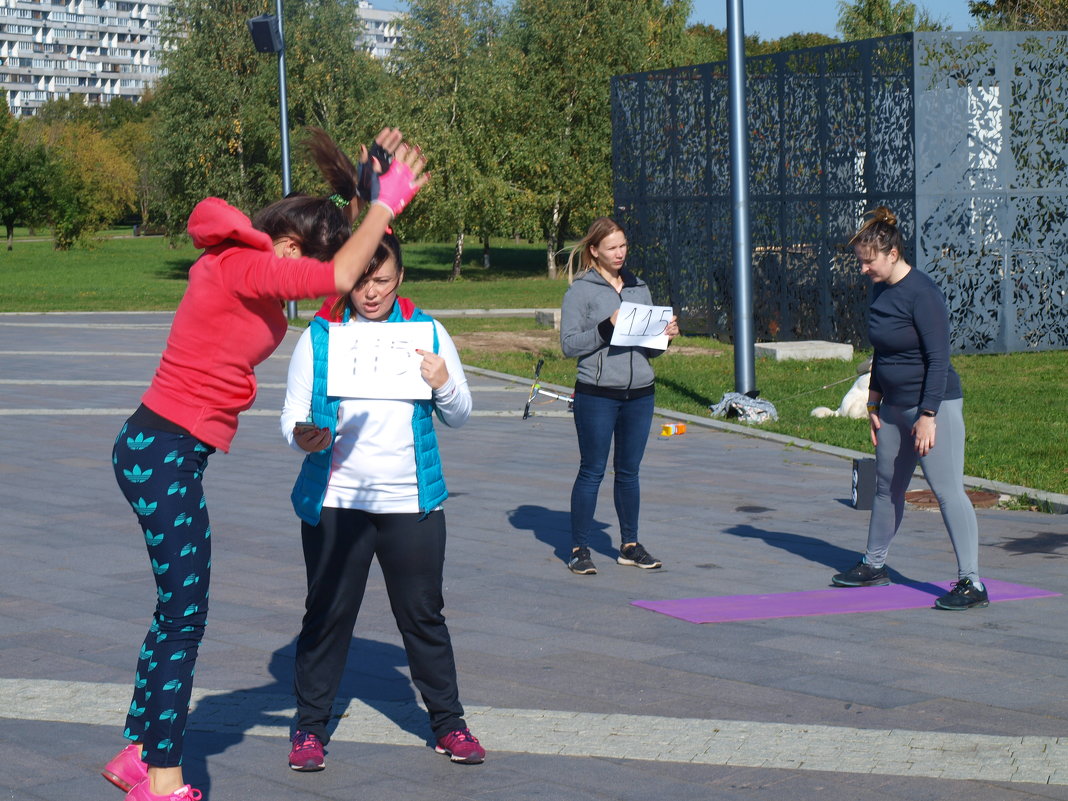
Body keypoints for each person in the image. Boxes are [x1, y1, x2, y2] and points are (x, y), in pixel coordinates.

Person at [102, 129, 428, 801]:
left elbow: (337, 268)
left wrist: (364, 194)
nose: (307, 279)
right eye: (306, 259)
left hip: (164, 450)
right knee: (186, 613)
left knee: (175, 610)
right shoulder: (247, 264)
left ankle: (138, 751)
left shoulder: (249, 262)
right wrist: (384, 208)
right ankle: (161, 779)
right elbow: (339, 276)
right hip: (162, 448)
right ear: (287, 247)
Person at [280, 230, 485, 769]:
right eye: (362, 281)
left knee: (423, 616)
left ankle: (449, 724)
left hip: (410, 502)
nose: (371, 293)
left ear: (401, 278)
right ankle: (309, 730)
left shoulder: (429, 332)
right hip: (337, 502)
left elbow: (460, 413)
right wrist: (303, 435)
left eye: (383, 281)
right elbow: (291, 413)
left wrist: (443, 382)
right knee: (326, 615)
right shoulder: (320, 334)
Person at [831, 206, 988, 611]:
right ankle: (874, 565)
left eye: (868, 262)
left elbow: (939, 359)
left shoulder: (923, 293)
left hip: (932, 406)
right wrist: (874, 401)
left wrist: (928, 416)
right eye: (862, 262)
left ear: (892, 253)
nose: (864, 270)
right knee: (886, 486)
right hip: (894, 408)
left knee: (948, 491)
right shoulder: (880, 289)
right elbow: (882, 350)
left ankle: (972, 582)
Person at [559, 217, 679, 575]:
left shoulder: (638, 286)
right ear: (594, 250)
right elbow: (568, 346)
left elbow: (651, 350)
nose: (620, 253)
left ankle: (629, 544)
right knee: (592, 470)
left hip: (640, 393)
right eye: (612, 247)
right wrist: (605, 327)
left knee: (629, 472)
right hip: (596, 394)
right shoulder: (579, 291)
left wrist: (665, 336)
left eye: (623, 246)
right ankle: (580, 548)